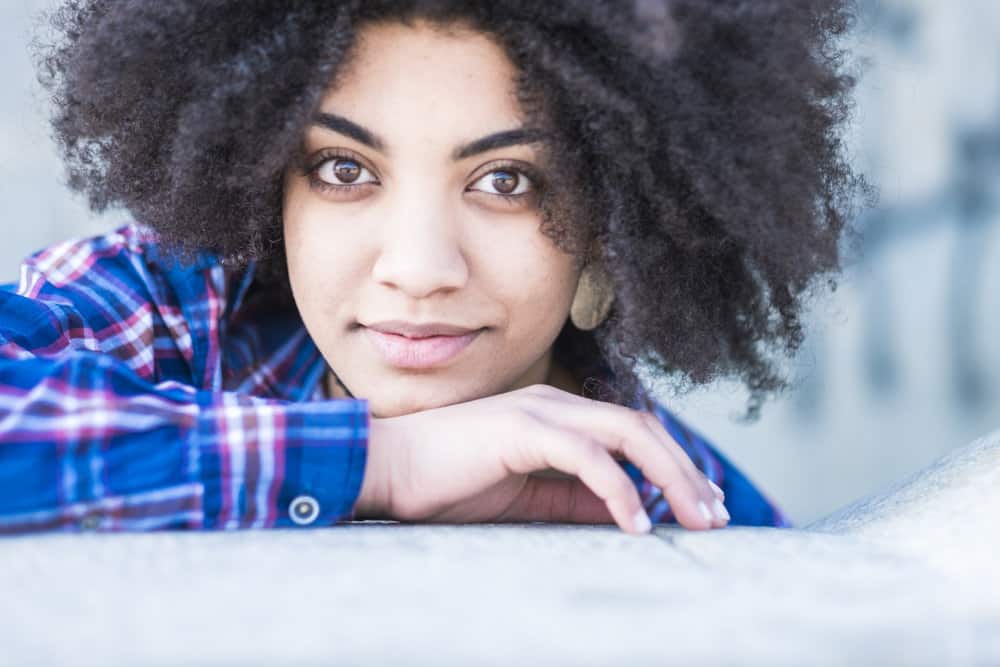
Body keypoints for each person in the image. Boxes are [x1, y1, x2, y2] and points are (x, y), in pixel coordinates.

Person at [0, 1, 856, 535]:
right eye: (344, 168)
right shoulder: (169, 312)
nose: (417, 268)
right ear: (266, 182)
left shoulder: (673, 502)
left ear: (612, 226)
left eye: (506, 181)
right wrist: (382, 462)